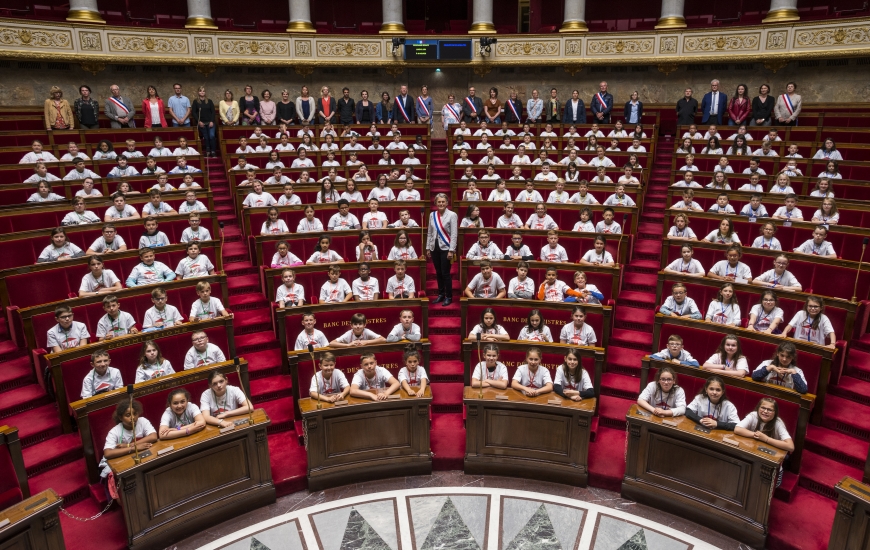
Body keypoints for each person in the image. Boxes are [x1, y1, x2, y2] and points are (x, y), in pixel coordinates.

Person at [99, 400, 157, 485]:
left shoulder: (142, 421)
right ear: (120, 417)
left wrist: (129, 445)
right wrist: (133, 448)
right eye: (128, 415)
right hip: (122, 462)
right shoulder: (114, 431)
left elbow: (153, 436)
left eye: (135, 413)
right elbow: (107, 453)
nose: (133, 417)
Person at [427, 194, 458, 306]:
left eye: (443, 202)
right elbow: (430, 232)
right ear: (435, 203)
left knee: (445, 273)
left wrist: (452, 250)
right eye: (439, 202)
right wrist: (427, 247)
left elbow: (454, 234)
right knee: (438, 272)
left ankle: (448, 296)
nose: (441, 204)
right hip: (434, 246)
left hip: (446, 247)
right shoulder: (432, 215)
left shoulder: (452, 215)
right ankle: (441, 295)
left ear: (446, 203)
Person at [191, 86, 217, 157]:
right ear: (198, 92)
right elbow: (193, 112)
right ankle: (208, 151)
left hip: (210, 122)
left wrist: (212, 121)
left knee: (211, 136)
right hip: (201, 122)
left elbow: (213, 112)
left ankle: (213, 151)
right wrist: (199, 121)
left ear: (205, 92)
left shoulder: (209, 101)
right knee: (206, 137)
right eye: (200, 91)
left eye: (203, 91)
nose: (202, 92)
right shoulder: (196, 101)